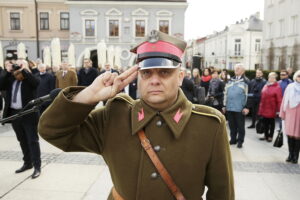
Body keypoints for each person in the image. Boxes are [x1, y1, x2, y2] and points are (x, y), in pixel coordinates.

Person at [38, 30, 234, 200]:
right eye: (147, 73)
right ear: (137, 78)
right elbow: (52, 132)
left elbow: (222, 193)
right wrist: (88, 96)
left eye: (164, 72)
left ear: (180, 77)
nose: (154, 80)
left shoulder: (209, 125)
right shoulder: (115, 116)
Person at [0, 59, 41, 178]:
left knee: (32, 140)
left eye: (21, 63)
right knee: (22, 140)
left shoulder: (30, 77)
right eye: (16, 63)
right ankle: (28, 163)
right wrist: (8, 72)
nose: (18, 65)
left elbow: (36, 83)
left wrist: (24, 71)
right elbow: (1, 85)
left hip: (28, 113)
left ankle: (37, 167)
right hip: (15, 114)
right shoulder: (11, 79)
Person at [223, 63, 250, 148]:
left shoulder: (246, 81)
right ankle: (233, 139)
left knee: (240, 126)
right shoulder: (230, 80)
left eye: (238, 68)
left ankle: (240, 141)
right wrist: (224, 105)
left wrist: (247, 107)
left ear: (243, 71)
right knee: (232, 125)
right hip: (230, 107)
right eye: (235, 68)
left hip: (240, 108)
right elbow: (225, 93)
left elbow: (249, 95)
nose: (236, 70)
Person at [280, 70, 300, 164]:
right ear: (295, 77)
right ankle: (290, 154)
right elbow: (284, 100)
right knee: (290, 135)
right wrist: (282, 113)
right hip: (290, 113)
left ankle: (296, 156)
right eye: (298, 76)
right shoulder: (290, 86)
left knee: (298, 136)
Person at [257, 72, 282, 142]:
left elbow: (279, 100)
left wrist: (279, 110)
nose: (270, 79)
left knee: (271, 123)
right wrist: (260, 108)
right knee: (265, 123)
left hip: (272, 108)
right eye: (269, 77)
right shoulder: (266, 85)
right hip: (264, 108)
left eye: (272, 77)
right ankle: (265, 135)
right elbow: (262, 98)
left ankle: (270, 136)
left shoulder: (277, 87)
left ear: (275, 79)